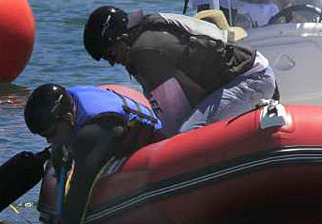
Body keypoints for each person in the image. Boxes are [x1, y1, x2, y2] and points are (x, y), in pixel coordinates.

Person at [83, 6, 276, 138]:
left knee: (186, 134)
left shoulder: (145, 52)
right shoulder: (143, 37)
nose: (112, 62)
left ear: (122, 38)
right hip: (245, 75)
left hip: (251, 78)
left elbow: (175, 119)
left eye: (110, 53)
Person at [24, 84, 162, 224]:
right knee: (56, 155)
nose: (48, 141)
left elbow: (83, 180)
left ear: (69, 118)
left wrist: (62, 223)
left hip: (148, 142)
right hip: (101, 131)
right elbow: (60, 147)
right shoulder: (69, 105)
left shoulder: (95, 131)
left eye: (51, 134)